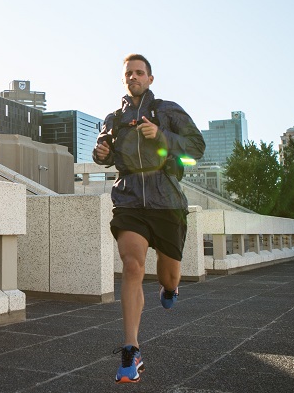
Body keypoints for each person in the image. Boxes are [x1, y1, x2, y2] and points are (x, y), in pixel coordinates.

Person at [92, 53, 205, 384]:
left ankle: (170, 289)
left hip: (166, 202)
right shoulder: (113, 119)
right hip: (129, 201)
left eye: (139, 73)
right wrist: (101, 154)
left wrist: (163, 136)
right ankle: (131, 351)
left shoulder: (168, 111)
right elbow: (104, 153)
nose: (134, 77)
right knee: (132, 267)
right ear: (123, 78)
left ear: (150, 79)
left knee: (168, 277)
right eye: (129, 73)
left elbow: (197, 147)